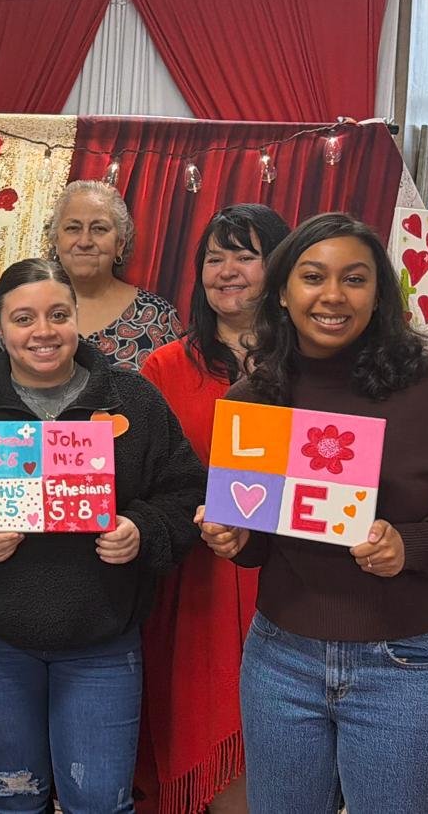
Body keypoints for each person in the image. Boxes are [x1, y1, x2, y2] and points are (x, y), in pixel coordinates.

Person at [198, 214, 428, 814]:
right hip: (281, 654)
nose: (333, 296)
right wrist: (233, 534)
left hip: (408, 658)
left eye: (355, 279)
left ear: (379, 295)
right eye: (313, 276)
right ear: (283, 291)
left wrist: (408, 547)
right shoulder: (255, 400)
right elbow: (260, 541)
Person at [0, 258, 205, 814]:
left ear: (78, 320)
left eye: (58, 315)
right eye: (23, 318)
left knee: (98, 802)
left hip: (101, 638)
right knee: (12, 797)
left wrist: (140, 529)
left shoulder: (133, 401)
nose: (43, 331)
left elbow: (185, 490)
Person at [136, 204, 290, 814]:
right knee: (199, 723)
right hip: (194, 579)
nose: (226, 271)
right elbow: (147, 479)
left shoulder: (314, 364)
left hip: (283, 575)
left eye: (245, 255)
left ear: (278, 266)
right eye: (213, 257)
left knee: (283, 738)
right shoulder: (165, 367)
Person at [49, 180, 181, 371]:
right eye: (73, 228)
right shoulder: (28, 308)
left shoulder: (159, 319)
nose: (85, 241)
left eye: (99, 229)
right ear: (56, 240)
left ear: (120, 244)